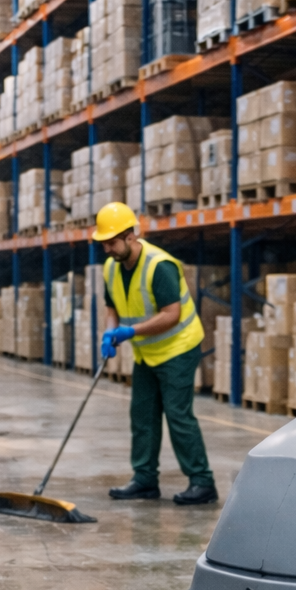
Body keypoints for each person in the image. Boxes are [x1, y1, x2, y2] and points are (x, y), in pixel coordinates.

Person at [93, 201, 218, 505]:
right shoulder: (111, 267)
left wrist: (130, 332)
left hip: (178, 347)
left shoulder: (159, 265)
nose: (107, 248)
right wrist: (110, 332)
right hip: (147, 353)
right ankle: (145, 480)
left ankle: (203, 483)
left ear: (130, 236)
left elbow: (172, 314)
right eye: (104, 243)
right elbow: (112, 307)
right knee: (142, 415)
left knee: (178, 415)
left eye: (112, 242)